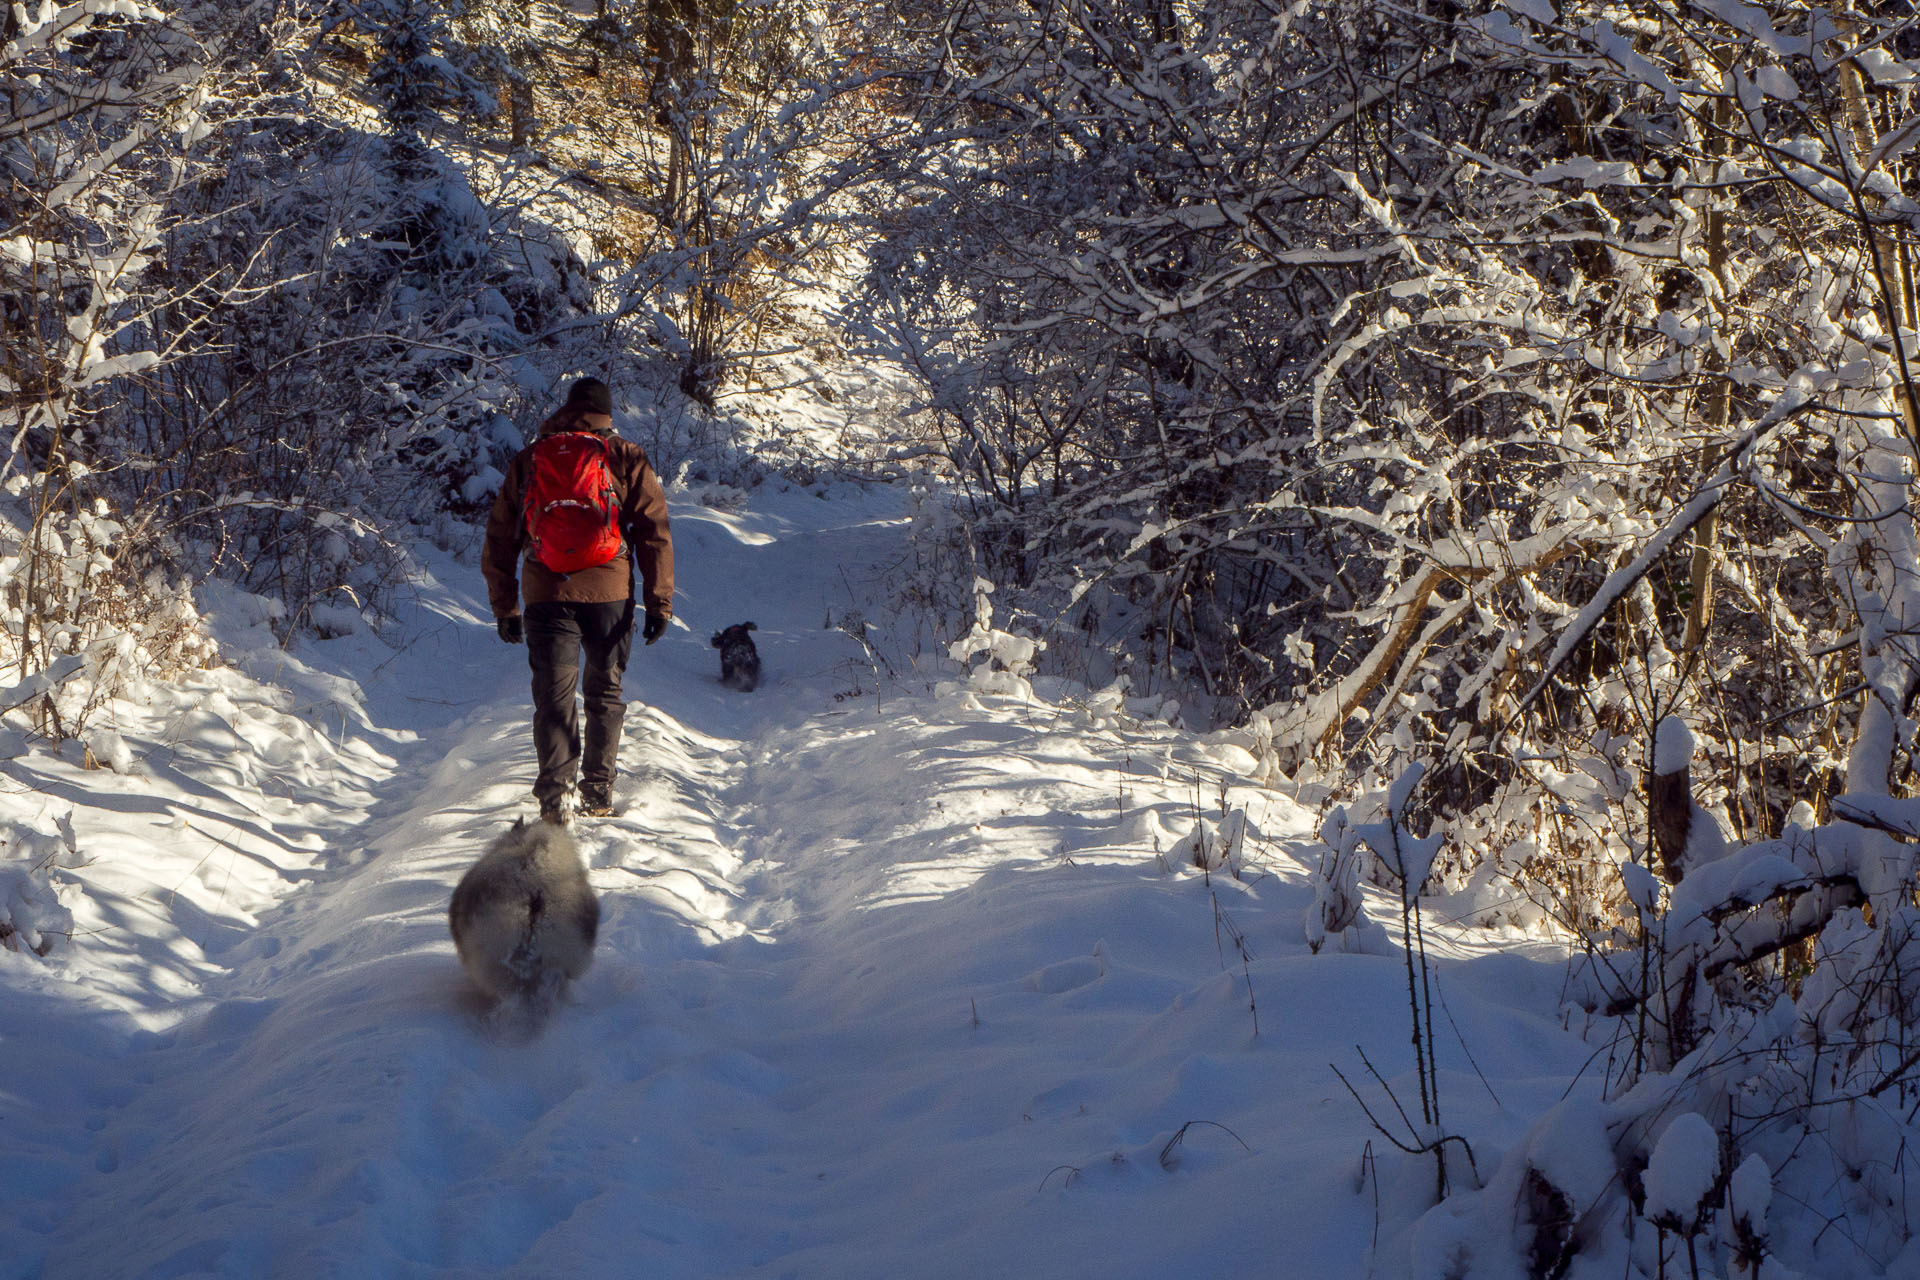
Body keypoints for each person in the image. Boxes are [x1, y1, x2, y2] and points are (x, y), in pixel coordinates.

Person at [483, 378, 673, 822]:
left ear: (567, 410)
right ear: (608, 414)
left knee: (554, 697)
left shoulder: (531, 458)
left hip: (547, 592)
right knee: (604, 691)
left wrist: (505, 603)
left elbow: (499, 537)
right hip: (610, 594)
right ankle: (598, 792)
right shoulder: (626, 457)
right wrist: (659, 601)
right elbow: (654, 533)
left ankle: (556, 798)